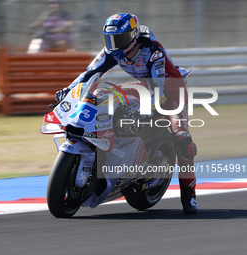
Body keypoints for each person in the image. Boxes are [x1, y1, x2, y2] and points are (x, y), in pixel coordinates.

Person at [55, 13, 198, 214]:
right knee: (102, 97)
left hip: (171, 91)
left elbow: (158, 92)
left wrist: (142, 108)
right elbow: (89, 73)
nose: (113, 45)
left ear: (132, 36)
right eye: (109, 39)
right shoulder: (111, 51)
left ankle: (189, 196)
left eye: (119, 39)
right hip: (142, 86)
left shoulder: (152, 51)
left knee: (183, 140)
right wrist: (68, 89)